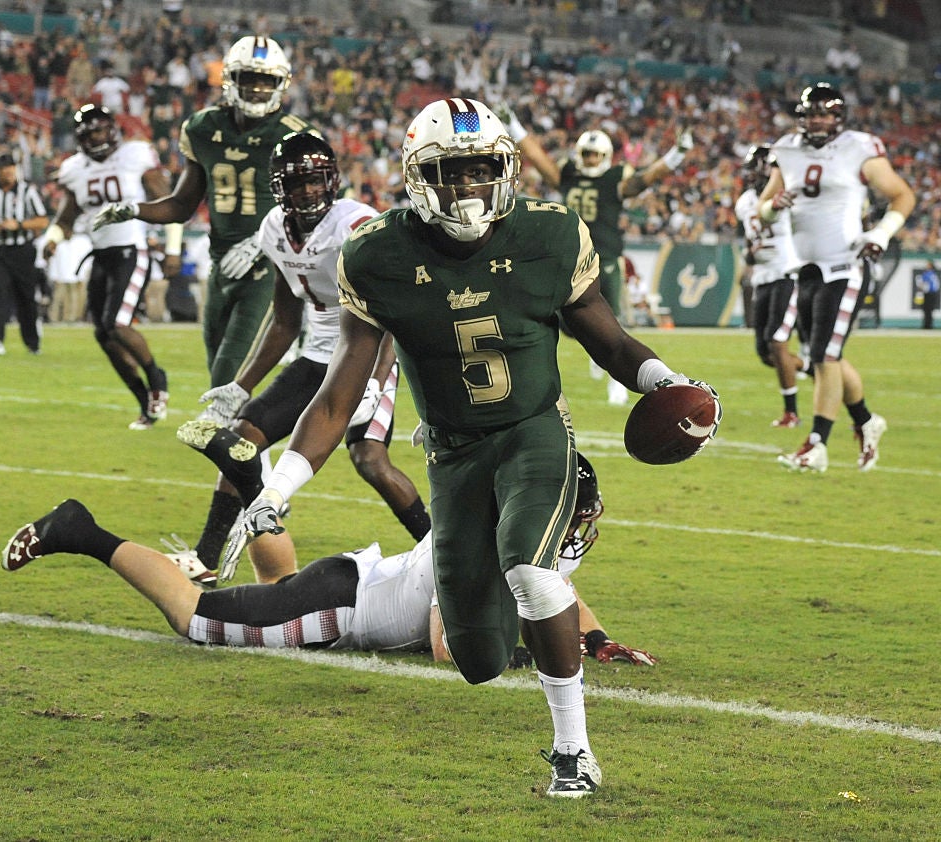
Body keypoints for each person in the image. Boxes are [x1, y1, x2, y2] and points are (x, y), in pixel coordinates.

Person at [222, 98, 719, 797]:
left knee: (532, 572)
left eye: (481, 168)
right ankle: (530, 598)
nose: (468, 186)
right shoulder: (377, 255)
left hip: (533, 431)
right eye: (450, 171)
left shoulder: (548, 234)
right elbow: (338, 396)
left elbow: (609, 340)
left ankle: (573, 751)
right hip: (452, 454)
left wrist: (669, 383)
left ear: (504, 168)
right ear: (417, 175)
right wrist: (276, 491)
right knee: (477, 656)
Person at [0, 454, 653, 664]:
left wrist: (596, 640)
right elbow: (448, 646)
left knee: (275, 587)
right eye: (570, 514)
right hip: (339, 606)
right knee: (195, 618)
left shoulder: (517, 535)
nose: (576, 529)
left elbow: (557, 590)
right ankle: (79, 530)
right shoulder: (473, 546)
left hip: (344, 584)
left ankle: (251, 484)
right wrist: (538, 655)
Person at [170, 133, 429, 587]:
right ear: (280, 188)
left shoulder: (355, 224)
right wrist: (241, 385)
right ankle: (205, 557)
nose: (308, 191)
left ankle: (442, 551)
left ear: (331, 180)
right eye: (297, 182)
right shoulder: (274, 229)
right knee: (244, 438)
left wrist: (375, 381)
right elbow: (285, 320)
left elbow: (395, 311)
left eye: (315, 180)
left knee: (370, 459)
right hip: (318, 353)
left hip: (368, 350)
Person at [93, 35, 318, 390]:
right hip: (221, 263)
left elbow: (316, 211)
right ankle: (252, 430)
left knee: (229, 374)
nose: (257, 89)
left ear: (281, 84)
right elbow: (181, 205)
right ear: (230, 79)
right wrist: (133, 209)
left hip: (271, 268)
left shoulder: (296, 137)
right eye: (249, 78)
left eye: (266, 81)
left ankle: (244, 427)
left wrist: (262, 241)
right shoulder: (204, 127)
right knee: (218, 369)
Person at [760, 84, 915, 472]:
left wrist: (881, 234)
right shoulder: (786, 149)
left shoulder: (857, 147)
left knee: (824, 355)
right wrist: (773, 207)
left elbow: (902, 195)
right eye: (811, 114)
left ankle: (816, 445)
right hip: (806, 268)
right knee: (824, 354)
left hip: (846, 264)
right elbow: (764, 206)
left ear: (838, 117)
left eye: (824, 114)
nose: (817, 121)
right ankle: (866, 420)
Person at [504, 111, 693, 404]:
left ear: (604, 156)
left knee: (612, 323)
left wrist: (677, 154)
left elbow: (645, 178)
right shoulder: (568, 174)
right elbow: (540, 160)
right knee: (568, 322)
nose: (591, 160)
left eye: (595, 155)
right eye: (586, 154)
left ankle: (617, 382)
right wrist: (513, 125)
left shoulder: (614, 178)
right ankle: (595, 352)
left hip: (606, 257)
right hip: (572, 255)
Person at [45, 104, 181, 430]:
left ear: (112, 130)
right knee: (103, 335)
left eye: (100, 130)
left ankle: (157, 378)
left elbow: (171, 203)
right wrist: (52, 239)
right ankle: (144, 402)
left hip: (132, 249)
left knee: (117, 324)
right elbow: (66, 218)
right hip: (100, 254)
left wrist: (173, 248)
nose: (96, 138)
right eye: (89, 133)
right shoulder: (75, 168)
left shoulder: (135, 155)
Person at [734, 144, 808, 428]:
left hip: (787, 272)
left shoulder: (789, 195)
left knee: (777, 342)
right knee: (766, 354)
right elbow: (749, 241)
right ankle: (816, 369)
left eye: (755, 170)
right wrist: (749, 255)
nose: (750, 176)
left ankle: (792, 413)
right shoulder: (745, 202)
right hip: (762, 277)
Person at [0, 151, 50, 356]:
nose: (9, 172)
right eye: (5, 168)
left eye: (12, 168)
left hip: (22, 250)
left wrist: (19, 224)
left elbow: (42, 220)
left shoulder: (27, 191)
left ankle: (32, 342)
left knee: (26, 297)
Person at [916, 260, 939, 330]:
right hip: (934, 294)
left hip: (928, 294)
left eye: (928, 265)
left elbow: (922, 285)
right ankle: (929, 325)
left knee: (927, 310)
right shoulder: (934, 274)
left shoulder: (927, 274)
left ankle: (927, 325)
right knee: (930, 310)